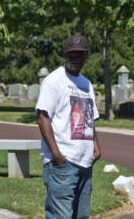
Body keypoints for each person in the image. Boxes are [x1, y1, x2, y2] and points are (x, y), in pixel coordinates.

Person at [35, 34, 101, 219]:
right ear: (65, 55)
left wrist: (96, 147)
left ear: (86, 56)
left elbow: (89, 117)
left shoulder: (86, 83)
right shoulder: (54, 80)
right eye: (72, 54)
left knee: (81, 216)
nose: (76, 58)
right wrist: (56, 155)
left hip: (85, 162)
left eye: (80, 54)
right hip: (63, 163)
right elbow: (42, 117)